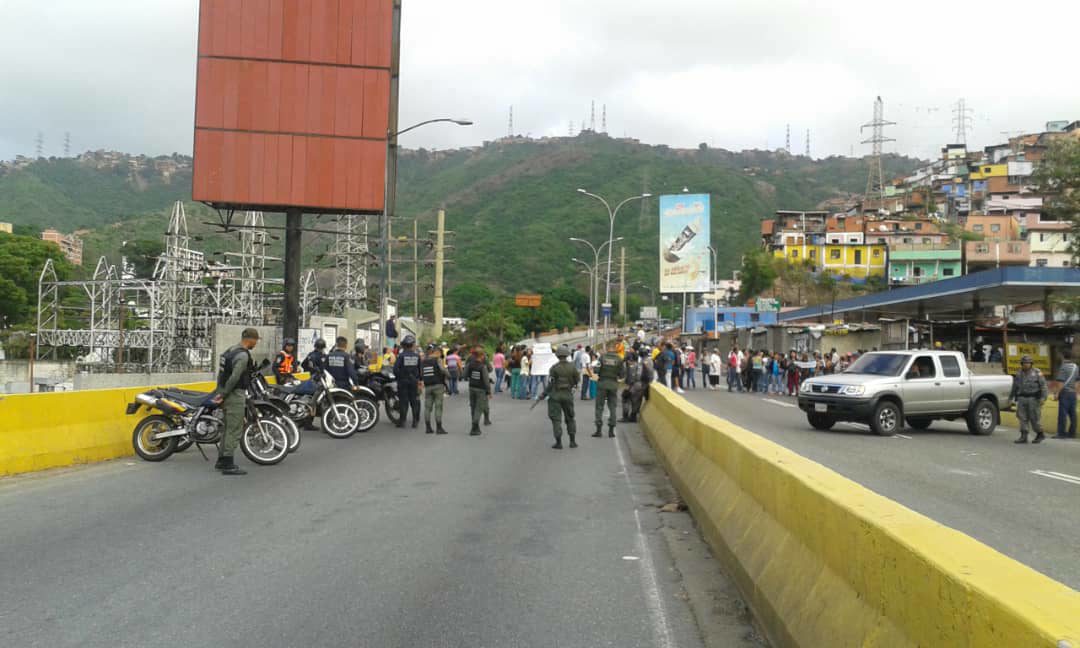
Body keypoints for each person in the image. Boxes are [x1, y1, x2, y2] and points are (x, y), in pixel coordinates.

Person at [212, 327, 259, 476]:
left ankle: (221, 460)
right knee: (234, 429)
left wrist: (220, 392)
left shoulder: (230, 350)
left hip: (225, 393)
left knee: (227, 428)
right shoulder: (243, 356)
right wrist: (224, 394)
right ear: (250, 339)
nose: (256, 343)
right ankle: (228, 464)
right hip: (235, 394)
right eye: (256, 340)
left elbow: (221, 374)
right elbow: (234, 377)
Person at [543, 344, 580, 449]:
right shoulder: (572, 367)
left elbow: (550, 384)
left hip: (555, 396)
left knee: (556, 419)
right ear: (567, 355)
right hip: (568, 395)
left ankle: (558, 442)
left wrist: (544, 394)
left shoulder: (554, 368)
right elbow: (577, 381)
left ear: (557, 355)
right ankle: (572, 442)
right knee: (570, 418)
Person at [1010, 354, 1048, 444]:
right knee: (1022, 417)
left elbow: (1043, 386)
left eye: (1028, 363)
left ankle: (1040, 433)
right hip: (1022, 398)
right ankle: (1024, 435)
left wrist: (1043, 398)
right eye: (1024, 363)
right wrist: (1011, 398)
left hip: (1033, 399)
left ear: (1031, 363)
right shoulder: (1019, 373)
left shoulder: (1037, 372)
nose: (1026, 364)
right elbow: (1015, 386)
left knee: (1034, 418)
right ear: (1021, 364)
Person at [592, 343, 625, 439]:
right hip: (613, 385)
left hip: (602, 384)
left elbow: (596, 371)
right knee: (612, 407)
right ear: (615, 349)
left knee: (599, 407)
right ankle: (611, 431)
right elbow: (622, 374)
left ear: (607, 349)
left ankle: (598, 430)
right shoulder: (619, 359)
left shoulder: (602, 358)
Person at [393, 335, 422, 428]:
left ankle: (402, 421)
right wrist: (420, 380)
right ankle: (415, 422)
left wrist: (400, 377)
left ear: (405, 345)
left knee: (403, 402)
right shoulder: (417, 356)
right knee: (415, 402)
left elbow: (395, 369)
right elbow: (420, 370)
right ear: (412, 345)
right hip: (414, 382)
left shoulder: (401, 356)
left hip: (403, 382)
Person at [421, 343, 449, 435]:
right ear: (436, 352)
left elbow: (421, 373)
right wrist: (448, 375)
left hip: (428, 386)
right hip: (438, 385)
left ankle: (428, 428)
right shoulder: (438, 359)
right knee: (438, 407)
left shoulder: (423, 361)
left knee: (427, 408)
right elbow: (442, 370)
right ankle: (439, 428)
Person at [465, 346, 492, 435]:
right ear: (482, 355)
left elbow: (464, 375)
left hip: (471, 386)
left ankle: (475, 427)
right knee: (480, 407)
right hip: (481, 388)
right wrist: (488, 391)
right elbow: (487, 379)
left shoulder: (469, 361)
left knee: (473, 407)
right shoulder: (483, 366)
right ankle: (475, 426)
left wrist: (471, 376)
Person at [1053, 349, 1077, 439]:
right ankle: (1072, 433)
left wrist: (1057, 393)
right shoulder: (1075, 366)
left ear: (1063, 356)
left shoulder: (1064, 367)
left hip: (1065, 393)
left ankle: (1061, 433)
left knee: (1062, 414)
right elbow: (1077, 381)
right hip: (1073, 393)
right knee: (1072, 414)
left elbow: (1061, 382)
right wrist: (1075, 391)